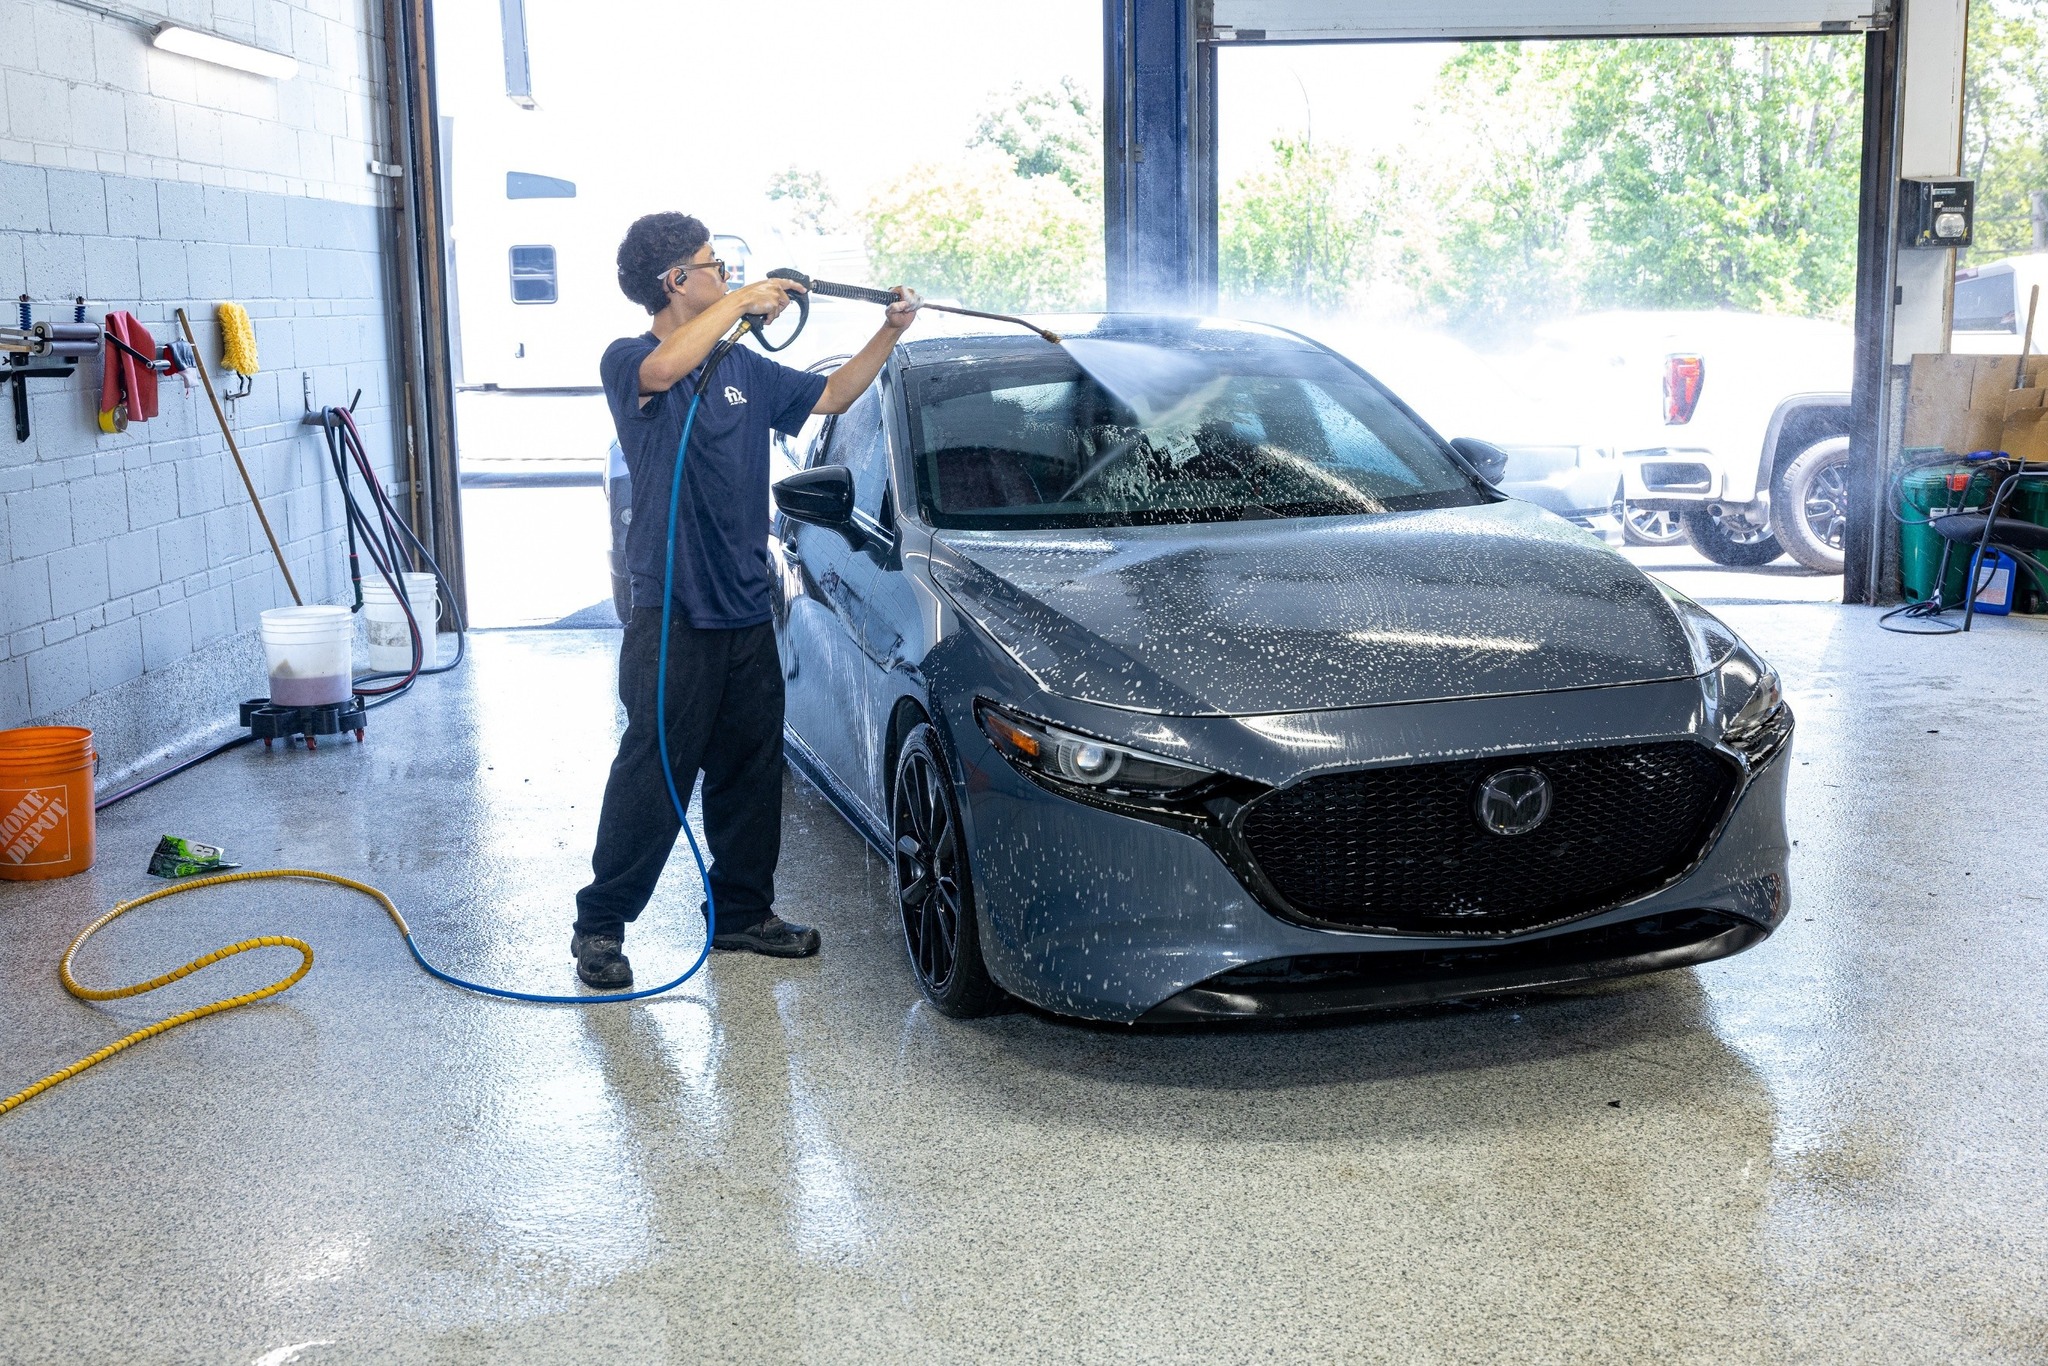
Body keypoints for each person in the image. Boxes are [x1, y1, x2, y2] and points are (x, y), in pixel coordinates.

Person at [571, 212, 917, 988]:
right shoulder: (630, 360)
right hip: (673, 613)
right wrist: (741, 301)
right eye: (713, 265)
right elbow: (665, 369)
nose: (726, 275)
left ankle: (740, 914)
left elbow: (833, 394)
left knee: (751, 770)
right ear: (675, 282)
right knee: (654, 771)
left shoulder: (745, 370)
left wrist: (889, 333)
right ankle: (600, 926)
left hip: (744, 605)